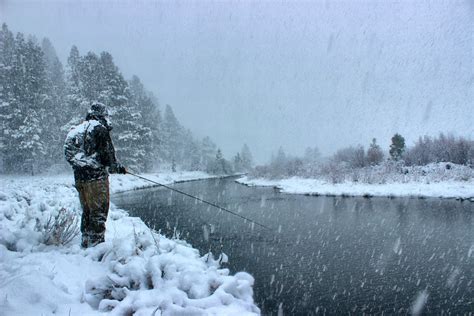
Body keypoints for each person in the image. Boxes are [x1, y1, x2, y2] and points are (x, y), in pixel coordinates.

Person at [64, 102, 126, 248]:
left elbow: (68, 154)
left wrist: (82, 167)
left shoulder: (75, 130)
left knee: (87, 211)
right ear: (101, 115)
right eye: (106, 115)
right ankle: (97, 245)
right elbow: (107, 156)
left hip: (80, 179)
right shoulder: (99, 129)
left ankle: (85, 240)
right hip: (97, 179)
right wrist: (117, 167)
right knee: (99, 211)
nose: (107, 118)